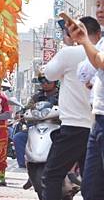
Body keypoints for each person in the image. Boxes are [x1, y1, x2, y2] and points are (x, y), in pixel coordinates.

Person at [41, 16, 99, 200]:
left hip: (74, 126)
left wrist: (66, 45)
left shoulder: (70, 53)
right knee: (93, 183)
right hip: (96, 126)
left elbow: (49, 73)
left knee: (52, 175)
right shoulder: (99, 52)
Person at [67, 0, 104, 200]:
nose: (100, 9)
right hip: (98, 119)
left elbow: (100, 61)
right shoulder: (102, 41)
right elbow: (90, 70)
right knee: (91, 189)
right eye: (98, 4)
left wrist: (84, 41)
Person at [13, 74, 60, 169]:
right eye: (42, 82)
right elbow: (27, 108)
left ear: (55, 83)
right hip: (36, 127)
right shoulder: (36, 96)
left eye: (48, 81)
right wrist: (20, 113)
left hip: (56, 127)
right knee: (18, 137)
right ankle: (26, 166)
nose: (45, 84)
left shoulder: (62, 96)